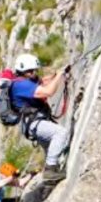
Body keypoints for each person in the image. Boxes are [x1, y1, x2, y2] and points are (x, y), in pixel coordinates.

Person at [10, 53, 70, 183]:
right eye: (31, 71)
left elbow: (43, 81)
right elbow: (48, 91)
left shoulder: (26, 81)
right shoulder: (21, 85)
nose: (34, 73)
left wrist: (57, 74)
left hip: (35, 122)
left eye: (35, 70)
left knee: (53, 149)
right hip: (35, 123)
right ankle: (50, 170)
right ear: (23, 71)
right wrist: (59, 76)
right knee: (60, 133)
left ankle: (52, 177)